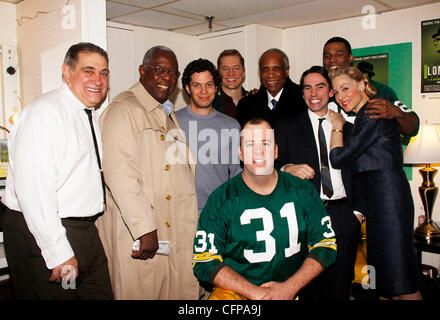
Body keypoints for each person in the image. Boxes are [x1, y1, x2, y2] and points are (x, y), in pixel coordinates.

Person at [1, 42, 113, 299]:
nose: (98, 80)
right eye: (88, 70)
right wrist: (59, 254)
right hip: (49, 234)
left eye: (104, 72)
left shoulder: (88, 114)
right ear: (66, 72)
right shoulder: (44, 113)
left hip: (83, 233)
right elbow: (35, 194)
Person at [192, 118, 337, 300]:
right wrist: (258, 294)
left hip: (291, 291)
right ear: (240, 153)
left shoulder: (302, 191)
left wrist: (289, 288)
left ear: (276, 151)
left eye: (265, 143)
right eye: (251, 144)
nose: (259, 151)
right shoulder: (221, 200)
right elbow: (204, 261)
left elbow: (326, 245)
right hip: (235, 294)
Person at [95, 46, 199, 299]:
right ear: (142, 71)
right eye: (159, 69)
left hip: (170, 227)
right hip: (142, 231)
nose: (167, 77)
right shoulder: (124, 110)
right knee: (143, 289)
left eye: (173, 72)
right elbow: (120, 174)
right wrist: (144, 228)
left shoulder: (166, 112)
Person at [328, 66, 422, 300]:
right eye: (336, 92)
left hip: (388, 201)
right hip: (379, 203)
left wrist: (337, 126)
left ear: (362, 84)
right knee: (391, 282)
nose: (341, 97)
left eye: (346, 88)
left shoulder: (373, 111)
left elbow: (338, 158)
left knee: (403, 283)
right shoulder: (364, 116)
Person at [275, 66, 361, 300]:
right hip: (304, 219)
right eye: (307, 87)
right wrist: (287, 169)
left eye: (320, 86)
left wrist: (358, 214)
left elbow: (362, 174)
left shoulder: (350, 129)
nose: (314, 92)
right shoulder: (286, 126)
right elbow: (270, 168)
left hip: (344, 216)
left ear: (330, 92)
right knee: (306, 289)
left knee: (339, 289)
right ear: (302, 94)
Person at [176, 58, 241, 215]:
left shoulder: (231, 126)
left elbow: (237, 176)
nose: (204, 91)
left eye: (209, 85)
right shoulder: (172, 122)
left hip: (219, 213)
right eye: (197, 85)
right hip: (181, 215)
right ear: (187, 88)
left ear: (216, 87)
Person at [322, 36, 419, 138]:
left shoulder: (380, 90)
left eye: (339, 54)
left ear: (350, 57)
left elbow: (413, 129)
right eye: (327, 56)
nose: (332, 60)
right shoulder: (319, 94)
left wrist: (398, 113)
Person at [237, 48, 307, 127]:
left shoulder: (304, 99)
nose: (270, 74)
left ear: (286, 71)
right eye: (265, 69)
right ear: (260, 72)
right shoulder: (246, 105)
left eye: (276, 69)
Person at [213, 49, 248, 119]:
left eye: (236, 68)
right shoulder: (211, 102)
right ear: (219, 73)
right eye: (225, 69)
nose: (231, 73)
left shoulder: (255, 100)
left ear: (243, 72)